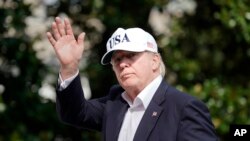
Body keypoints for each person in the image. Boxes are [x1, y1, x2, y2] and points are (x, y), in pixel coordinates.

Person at [47, 17, 218, 141]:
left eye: (131, 55)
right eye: (117, 59)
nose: (123, 64)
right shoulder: (115, 103)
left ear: (155, 61)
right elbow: (74, 113)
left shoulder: (183, 107)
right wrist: (69, 67)